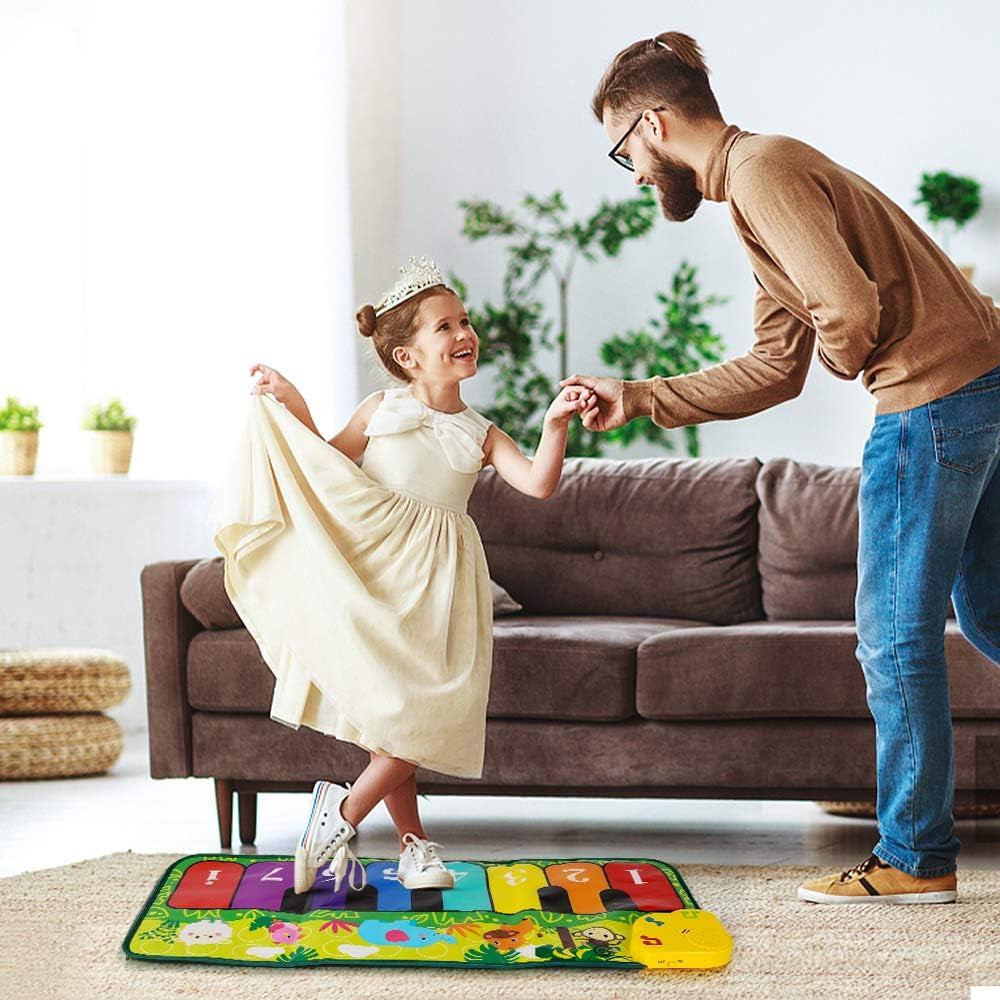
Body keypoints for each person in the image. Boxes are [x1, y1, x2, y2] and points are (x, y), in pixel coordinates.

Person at [563, 31, 1000, 904]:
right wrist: (640, 396)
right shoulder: (760, 186)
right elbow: (774, 368)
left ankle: (916, 858)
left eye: (624, 152)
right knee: (990, 611)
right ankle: (917, 851)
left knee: (893, 637)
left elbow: (847, 312)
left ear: (654, 125)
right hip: (977, 386)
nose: (636, 175)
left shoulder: (764, 175)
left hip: (928, 402)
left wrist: (851, 354)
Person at [209, 256, 594, 895]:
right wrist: (292, 400)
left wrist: (554, 423)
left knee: (424, 711)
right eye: (445, 326)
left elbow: (538, 482)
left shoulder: (481, 433)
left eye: (464, 321)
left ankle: (358, 819)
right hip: (375, 569)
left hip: (439, 585)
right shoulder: (380, 409)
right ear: (407, 356)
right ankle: (380, 830)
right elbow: (321, 466)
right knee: (400, 716)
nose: (464, 332)